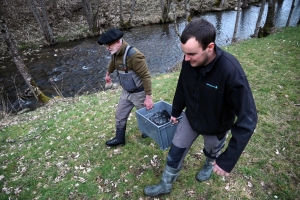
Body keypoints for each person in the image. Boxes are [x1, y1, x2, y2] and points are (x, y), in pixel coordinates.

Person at [144, 18, 257, 196]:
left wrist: (227, 160)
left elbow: (248, 118)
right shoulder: (188, 62)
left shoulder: (230, 70)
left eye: (192, 54)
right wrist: (175, 111)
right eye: (184, 53)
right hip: (191, 118)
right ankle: (165, 185)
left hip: (216, 125)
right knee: (175, 151)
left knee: (211, 151)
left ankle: (208, 164)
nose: (186, 59)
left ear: (209, 47)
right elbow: (182, 85)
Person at [97, 28, 154, 147]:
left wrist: (148, 97)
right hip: (126, 92)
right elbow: (113, 63)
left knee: (146, 116)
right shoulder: (115, 53)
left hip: (139, 93)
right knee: (120, 115)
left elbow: (146, 76)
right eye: (106, 46)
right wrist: (108, 73)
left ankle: (149, 132)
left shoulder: (135, 56)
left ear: (118, 41)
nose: (107, 48)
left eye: (109, 45)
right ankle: (119, 138)